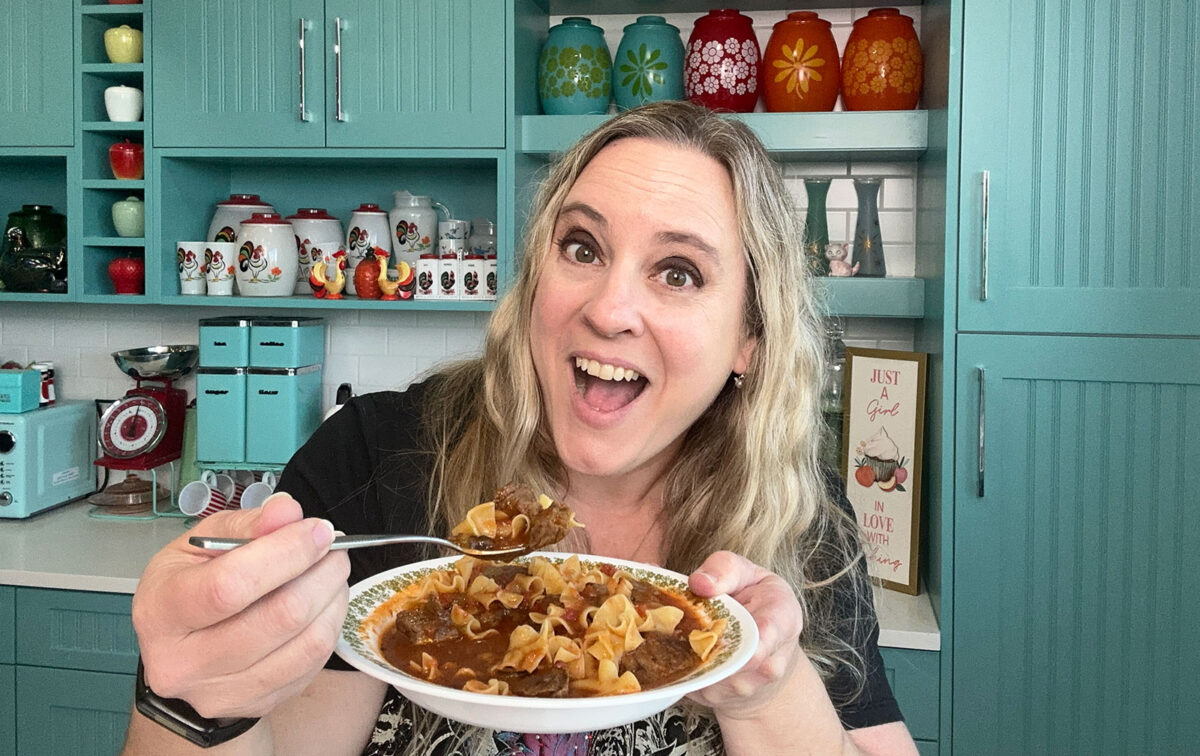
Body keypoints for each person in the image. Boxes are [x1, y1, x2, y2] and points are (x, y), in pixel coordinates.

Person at [122, 101, 919, 755]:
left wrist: (769, 693)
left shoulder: (796, 514)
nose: (608, 309)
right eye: (582, 247)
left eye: (678, 272)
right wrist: (193, 699)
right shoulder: (377, 461)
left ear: (749, 337)